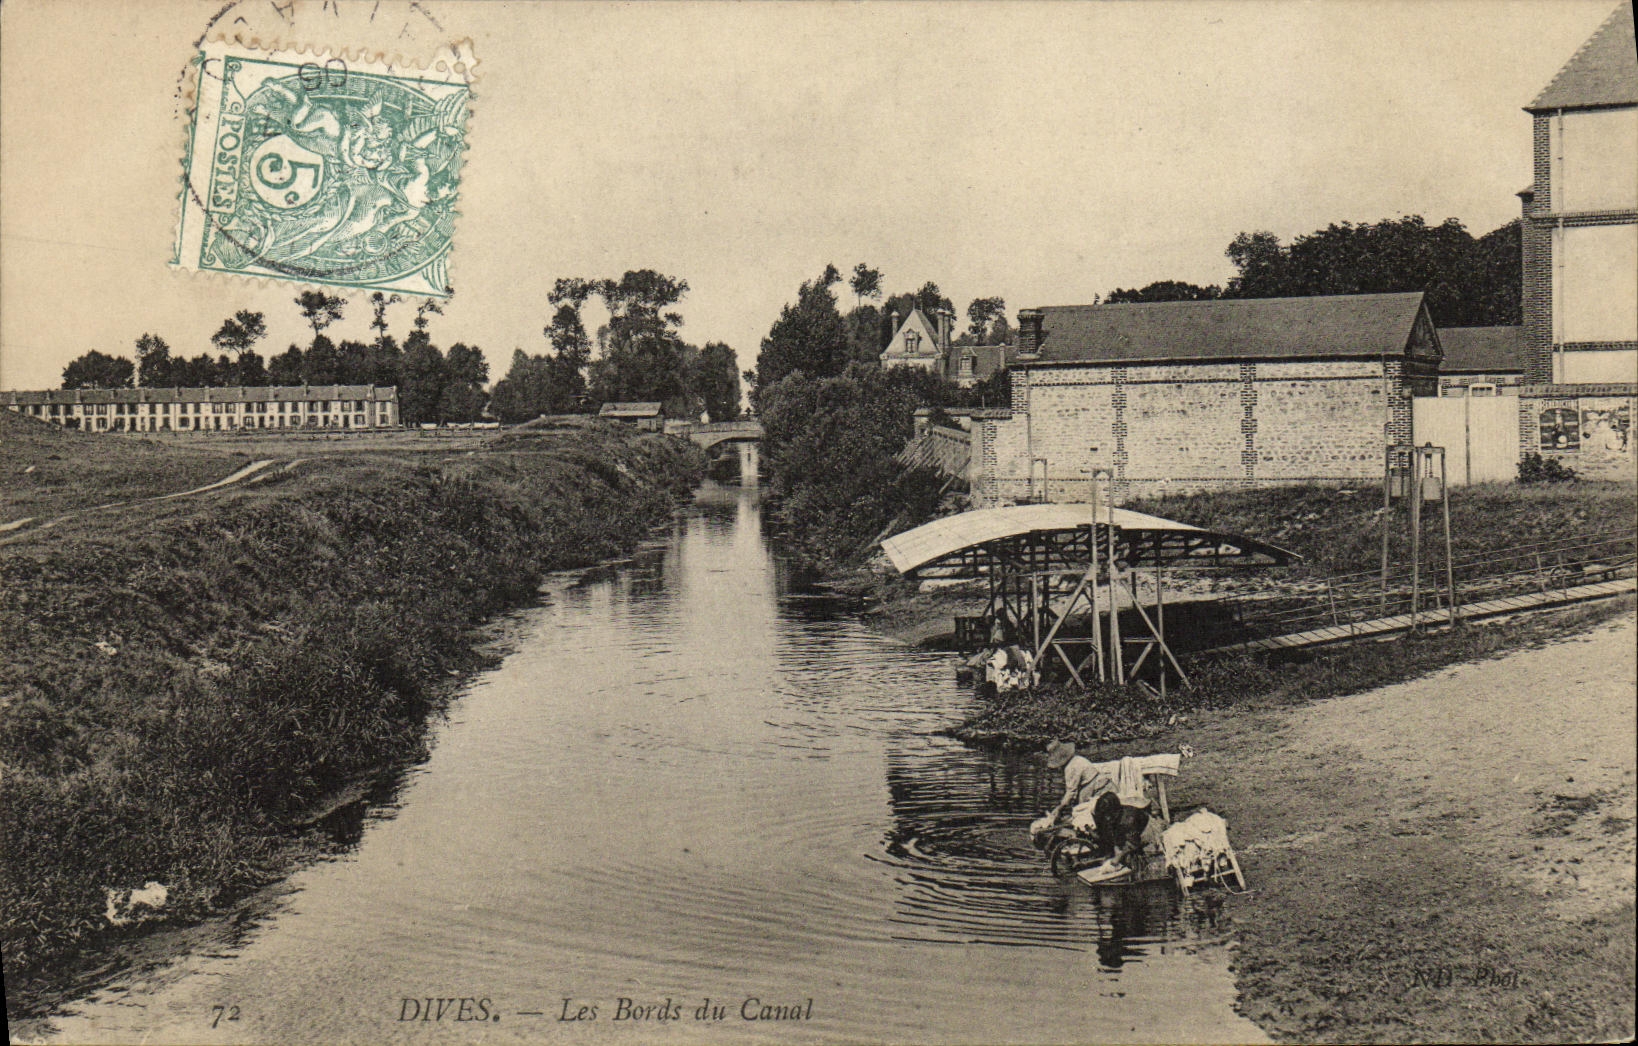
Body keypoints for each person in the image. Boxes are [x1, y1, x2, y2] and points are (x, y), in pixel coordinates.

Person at [1044, 740, 1109, 824]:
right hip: (1102, 783)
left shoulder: (1070, 768)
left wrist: (1059, 808)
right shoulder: (1077, 759)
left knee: (1082, 814)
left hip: (1096, 788)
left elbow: (1071, 792)